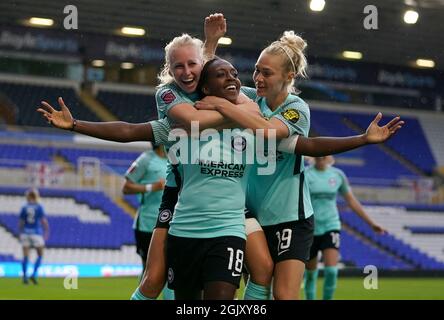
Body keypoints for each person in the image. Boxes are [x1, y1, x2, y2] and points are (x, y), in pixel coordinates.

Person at [194, 30, 403, 300]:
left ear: (288, 77)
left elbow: (273, 132)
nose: (257, 78)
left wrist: (363, 139)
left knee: (284, 295)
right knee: (258, 289)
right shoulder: (248, 99)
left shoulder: (296, 108)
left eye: (266, 73)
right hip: (251, 216)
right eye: (256, 70)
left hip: (290, 218)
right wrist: (211, 44)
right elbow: (212, 78)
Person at [303, 155, 386, 300]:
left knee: (331, 271)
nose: (321, 156)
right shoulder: (305, 174)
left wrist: (371, 223)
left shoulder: (337, 175)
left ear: (328, 156)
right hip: (310, 228)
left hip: (331, 225)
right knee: (310, 273)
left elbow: (351, 201)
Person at [122, 144, 175, 300]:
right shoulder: (146, 159)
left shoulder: (176, 158)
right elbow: (126, 188)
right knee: (149, 271)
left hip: (172, 224)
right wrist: (153, 187)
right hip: (147, 224)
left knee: (172, 268)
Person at [18, 188, 50, 285]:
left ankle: (24, 277)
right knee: (40, 254)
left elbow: (21, 222)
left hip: (26, 233)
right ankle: (34, 274)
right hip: (36, 233)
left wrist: (20, 233)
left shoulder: (24, 207)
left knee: (25, 255)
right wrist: (46, 230)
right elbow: (43, 221)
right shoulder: (39, 207)